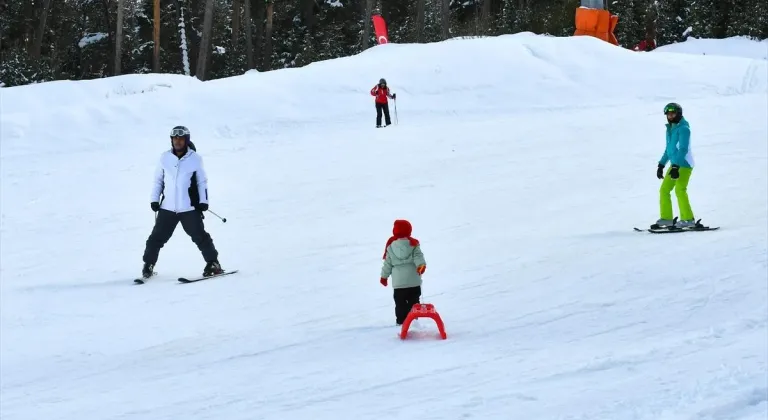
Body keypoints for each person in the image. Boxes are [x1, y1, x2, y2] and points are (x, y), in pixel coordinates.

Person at [141, 126, 224, 278]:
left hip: (189, 208)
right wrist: (154, 199)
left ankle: (213, 263)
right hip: (167, 208)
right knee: (156, 238)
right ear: (171, 140)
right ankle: (148, 265)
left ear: (186, 140)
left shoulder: (195, 159)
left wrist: (203, 201)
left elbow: (202, 182)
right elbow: (158, 181)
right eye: (175, 138)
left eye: (181, 139)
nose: (178, 141)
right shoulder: (164, 158)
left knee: (200, 237)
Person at [652, 103, 697, 229]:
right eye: (668, 114)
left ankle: (688, 219)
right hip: (675, 164)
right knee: (664, 190)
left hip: (684, 164)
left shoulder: (684, 129)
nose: (670, 116)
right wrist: (661, 165)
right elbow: (669, 150)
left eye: (673, 114)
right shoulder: (670, 129)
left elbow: (683, 149)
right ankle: (666, 218)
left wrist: (676, 166)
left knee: (680, 189)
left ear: (679, 114)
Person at [380, 219, 426, 325]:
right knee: (414, 302)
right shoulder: (413, 244)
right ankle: (413, 322)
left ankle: (401, 323)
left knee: (400, 304)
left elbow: (387, 264)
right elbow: (419, 257)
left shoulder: (391, 246)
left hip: (399, 284)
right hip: (413, 281)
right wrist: (421, 266)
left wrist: (384, 277)